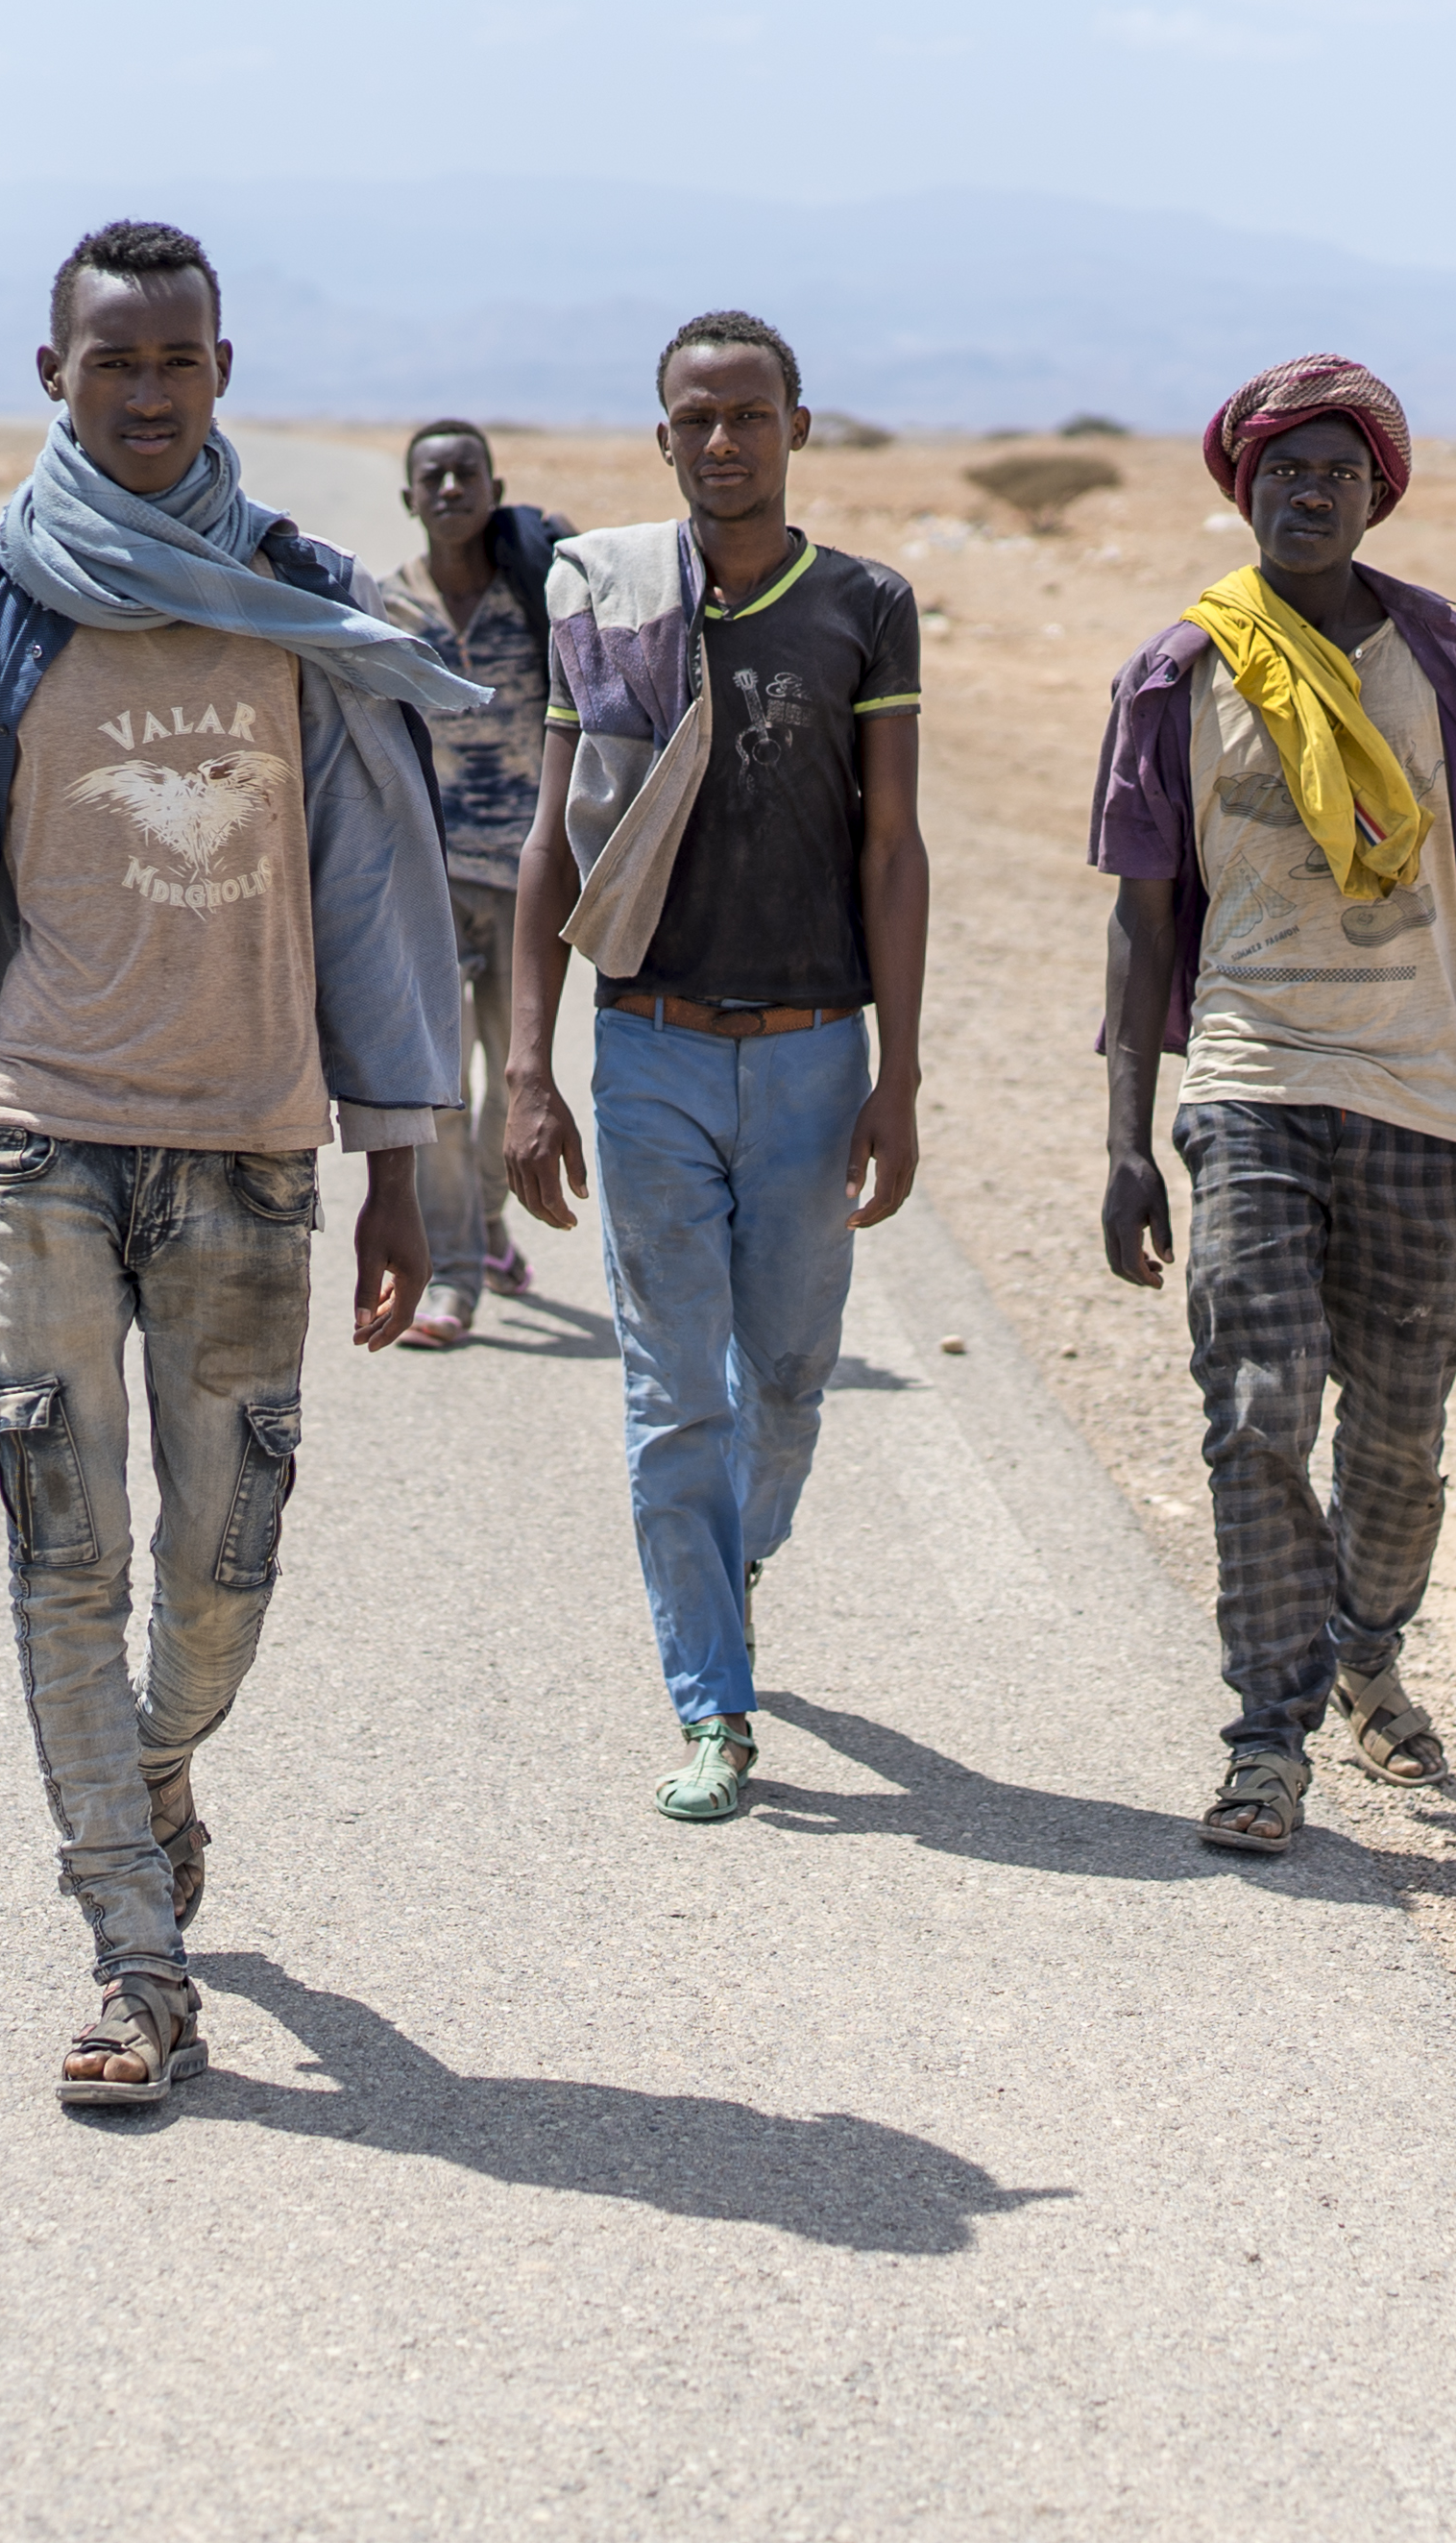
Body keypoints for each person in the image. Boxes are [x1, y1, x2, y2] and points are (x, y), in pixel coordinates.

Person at [0, 219, 479, 2105]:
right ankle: (134, 1950)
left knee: (220, 1565)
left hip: (245, 1159)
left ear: (223, 372)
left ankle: (150, 1768)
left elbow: (377, 898)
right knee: (64, 1554)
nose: (145, 395)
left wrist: (407, 1166)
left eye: (177, 362)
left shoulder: (302, 608)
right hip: (41, 1145)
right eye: (109, 362)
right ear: (50, 375)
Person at [1085, 354, 1456, 1859]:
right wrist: (1127, 1136)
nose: (1307, 493)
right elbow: (1138, 916)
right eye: (1282, 470)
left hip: (1418, 1094)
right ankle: (1268, 1737)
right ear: (1239, 486)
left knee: (1399, 1440)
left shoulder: (1444, 659)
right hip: (1249, 1073)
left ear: (1378, 494)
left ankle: (1370, 1641)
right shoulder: (1179, 670)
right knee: (1254, 1413)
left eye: (1337, 473)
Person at [499, 310, 929, 1824]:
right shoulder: (603, 606)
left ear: (801, 427)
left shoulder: (865, 608)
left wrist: (902, 1076)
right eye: (698, 418)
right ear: (662, 436)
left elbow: (891, 848)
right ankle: (714, 1709)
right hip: (650, 1054)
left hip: (815, 1057)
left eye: (753, 414)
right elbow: (552, 843)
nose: (726, 442)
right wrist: (527, 1073)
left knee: (790, 1383)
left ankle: (729, 1557)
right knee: (676, 1389)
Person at [369, 422, 573, 1348]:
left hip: (529, 884)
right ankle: (454, 1276)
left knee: (512, 1086)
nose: (450, 486)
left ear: (495, 487)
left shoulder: (542, 595)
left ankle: (485, 1227)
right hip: (424, 886)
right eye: (431, 476)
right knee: (440, 1092)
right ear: (409, 498)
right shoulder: (382, 608)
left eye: (466, 473)